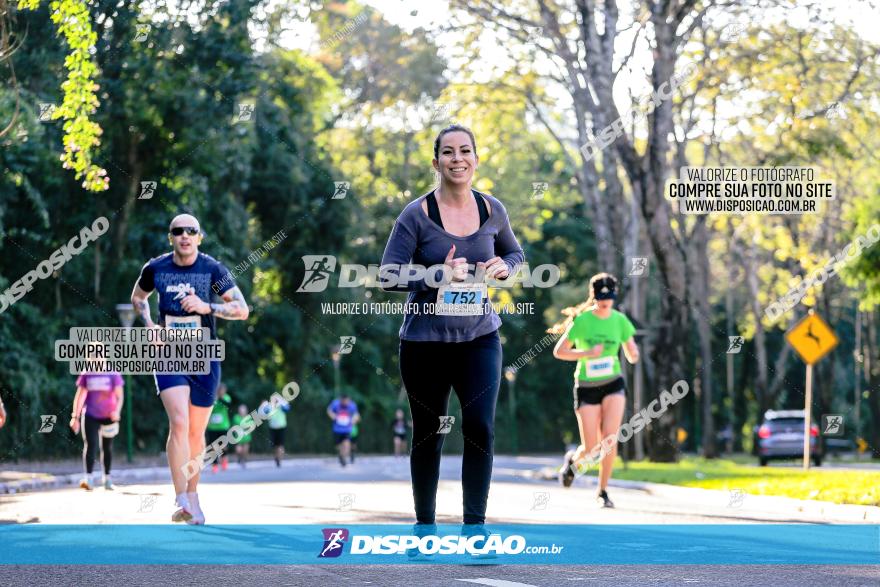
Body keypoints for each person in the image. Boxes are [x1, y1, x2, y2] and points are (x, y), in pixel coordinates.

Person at [380, 124, 524, 532]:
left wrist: (505, 266)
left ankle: (474, 527)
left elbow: (515, 252)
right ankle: (424, 525)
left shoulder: (492, 209)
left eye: (465, 151)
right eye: (448, 152)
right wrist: (436, 274)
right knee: (429, 432)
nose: (457, 158)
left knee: (480, 426)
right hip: (424, 343)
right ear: (436, 162)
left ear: (476, 159)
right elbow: (388, 275)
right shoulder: (416, 214)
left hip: (479, 338)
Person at [130, 213, 249, 524]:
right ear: (171, 237)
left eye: (191, 231)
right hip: (168, 352)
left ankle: (193, 498)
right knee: (179, 423)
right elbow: (138, 298)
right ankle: (180, 496)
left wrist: (208, 306)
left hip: (205, 355)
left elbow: (242, 309)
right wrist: (149, 325)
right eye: (178, 231)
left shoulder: (213, 269)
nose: (184, 235)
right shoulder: (155, 268)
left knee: (196, 432)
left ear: (200, 236)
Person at [552, 273, 639, 508]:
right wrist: (586, 354)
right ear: (593, 296)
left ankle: (603, 491)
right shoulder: (582, 322)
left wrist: (633, 354)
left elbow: (631, 351)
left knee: (610, 440)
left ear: (614, 296)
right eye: (601, 298)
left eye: (609, 297)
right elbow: (560, 351)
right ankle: (573, 461)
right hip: (587, 386)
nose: (605, 302)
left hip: (613, 383)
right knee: (591, 450)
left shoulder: (620, 320)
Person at [69, 366, 124, 491]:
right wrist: (75, 416)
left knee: (107, 447)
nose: (96, 358)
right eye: (93, 356)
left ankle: (107, 479)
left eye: (98, 355)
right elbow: (80, 396)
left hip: (109, 415)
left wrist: (117, 411)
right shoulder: (86, 374)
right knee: (90, 444)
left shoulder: (113, 374)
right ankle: (89, 479)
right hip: (90, 415)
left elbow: (120, 396)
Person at [206, 384, 232, 473]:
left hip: (223, 426)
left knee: (223, 446)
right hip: (212, 427)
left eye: (223, 390)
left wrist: (220, 398)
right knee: (214, 447)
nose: (221, 391)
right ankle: (215, 465)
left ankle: (224, 460)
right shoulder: (212, 397)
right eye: (219, 390)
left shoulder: (226, 398)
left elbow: (227, 405)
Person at [327, 394, 359, 467]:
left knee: (347, 444)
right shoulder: (335, 403)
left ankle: (343, 457)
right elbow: (329, 410)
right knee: (338, 446)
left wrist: (354, 420)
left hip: (347, 429)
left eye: (347, 401)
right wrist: (333, 416)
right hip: (337, 429)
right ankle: (341, 455)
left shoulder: (352, 405)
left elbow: (356, 414)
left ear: (349, 400)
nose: (345, 403)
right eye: (343, 401)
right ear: (341, 400)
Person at [262, 396, 290, 467]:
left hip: (281, 427)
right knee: (275, 445)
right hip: (273, 428)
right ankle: (276, 457)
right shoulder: (270, 407)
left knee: (281, 445)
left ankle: (279, 459)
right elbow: (264, 411)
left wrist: (281, 402)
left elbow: (287, 408)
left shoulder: (282, 406)